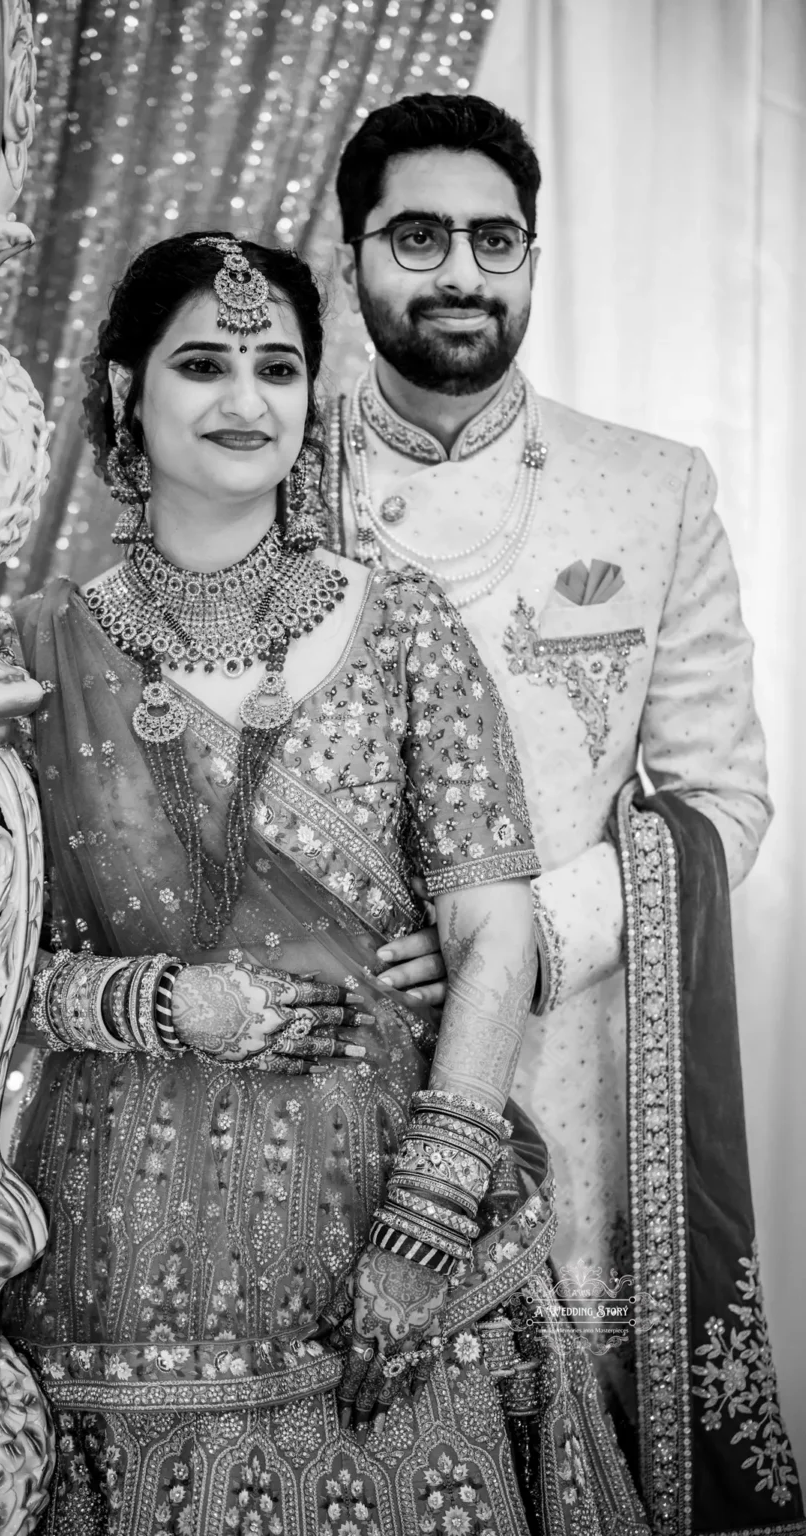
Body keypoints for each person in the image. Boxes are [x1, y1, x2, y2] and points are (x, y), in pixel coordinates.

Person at [0, 231, 648, 1533]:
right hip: (126, 1259)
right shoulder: (29, 653)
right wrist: (160, 1004)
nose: (246, 400)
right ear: (128, 389)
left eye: (277, 366)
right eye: (203, 363)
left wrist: (423, 1225)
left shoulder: (400, 622)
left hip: (394, 1244)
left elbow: (493, 937)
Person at [325, 94, 802, 1531]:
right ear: (351, 258)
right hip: (325, 1052)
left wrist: (525, 933)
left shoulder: (648, 492)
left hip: (573, 1071)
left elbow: (720, 798)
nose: (461, 271)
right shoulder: (266, 478)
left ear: (533, 255)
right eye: (419, 236)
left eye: (495, 238)